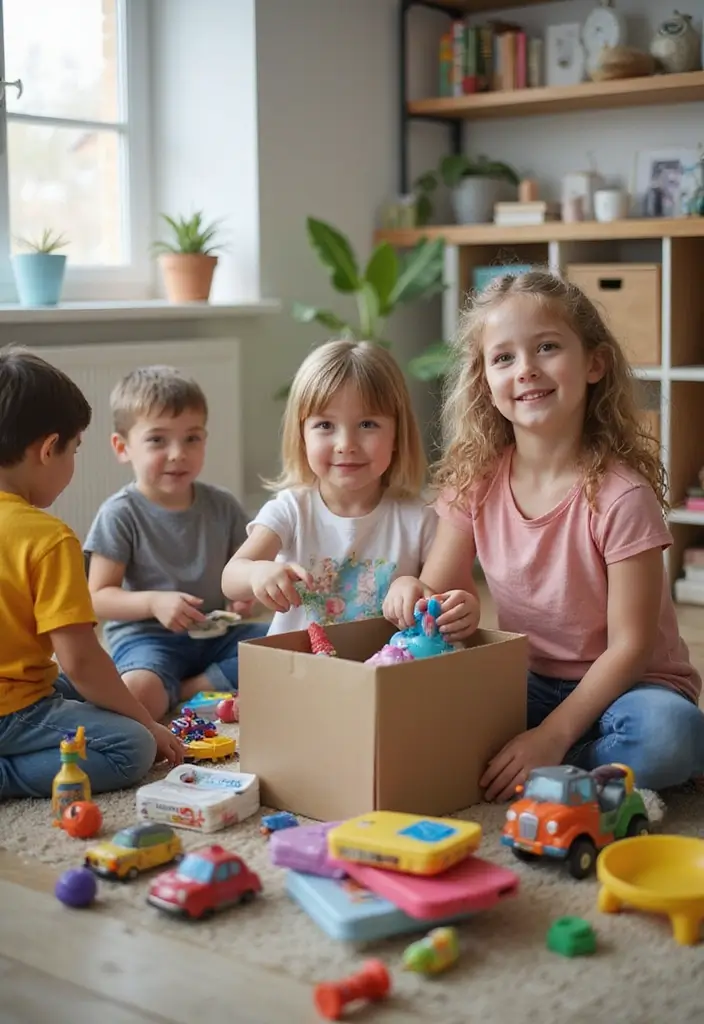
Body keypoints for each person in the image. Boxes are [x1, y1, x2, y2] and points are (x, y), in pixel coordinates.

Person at [383, 270, 704, 798]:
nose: (526, 369)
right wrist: (415, 592)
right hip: (527, 681)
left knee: (669, 737)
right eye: (503, 358)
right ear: (484, 382)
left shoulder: (622, 495)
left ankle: (551, 759)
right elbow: (436, 594)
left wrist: (552, 735)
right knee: (421, 712)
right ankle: (574, 770)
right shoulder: (476, 481)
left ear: (594, 364)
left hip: (630, 688)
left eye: (547, 347)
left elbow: (631, 647)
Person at [0, 349, 182, 801]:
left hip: (23, 688)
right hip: (11, 711)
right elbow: (80, 660)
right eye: (75, 449)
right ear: (48, 449)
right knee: (132, 746)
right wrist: (147, 721)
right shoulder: (47, 538)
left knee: (84, 692)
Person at [84, 366, 269, 721]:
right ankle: (194, 685)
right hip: (147, 638)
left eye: (192, 438)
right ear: (122, 447)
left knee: (288, 642)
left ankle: (188, 688)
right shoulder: (120, 513)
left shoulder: (222, 505)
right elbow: (98, 597)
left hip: (217, 634)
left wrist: (245, 597)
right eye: (157, 440)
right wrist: (153, 602)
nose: (177, 453)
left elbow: (243, 570)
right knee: (138, 695)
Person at [222, 340, 437, 633]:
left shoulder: (420, 517)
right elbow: (231, 578)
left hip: (385, 661)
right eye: (325, 425)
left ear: (397, 435)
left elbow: (444, 601)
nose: (346, 444)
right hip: (298, 660)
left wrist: (413, 585)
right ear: (302, 436)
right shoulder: (291, 509)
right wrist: (257, 573)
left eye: (367, 424)